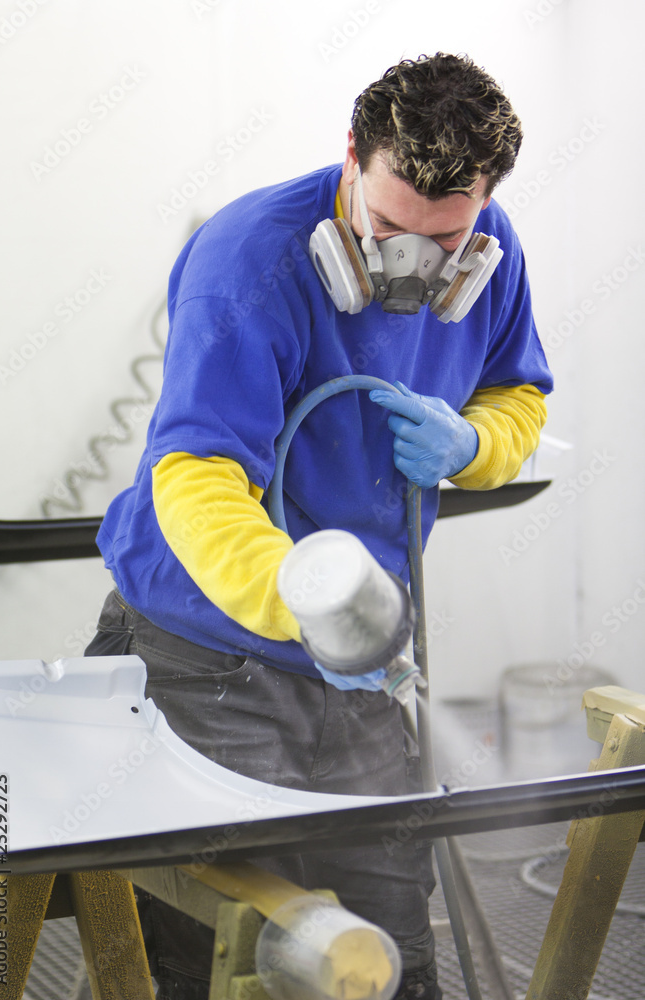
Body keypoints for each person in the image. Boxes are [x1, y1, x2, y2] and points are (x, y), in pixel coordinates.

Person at [85, 52, 553, 1000]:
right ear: (350, 155)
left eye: (444, 237)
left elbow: (518, 394)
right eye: (387, 229)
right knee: (212, 945)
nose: (415, 264)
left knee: (384, 943)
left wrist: (473, 443)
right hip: (206, 648)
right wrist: (301, 605)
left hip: (363, 649)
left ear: (484, 200)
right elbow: (197, 476)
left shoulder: (489, 248)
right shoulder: (246, 262)